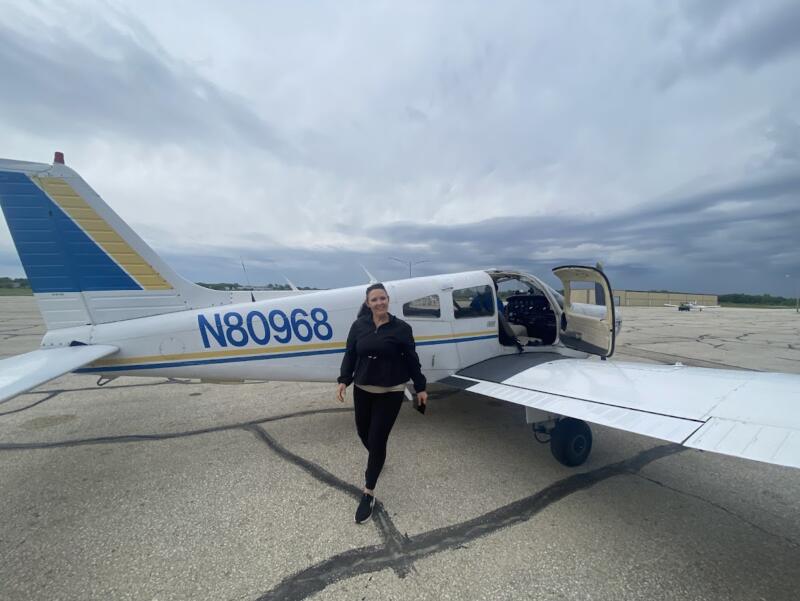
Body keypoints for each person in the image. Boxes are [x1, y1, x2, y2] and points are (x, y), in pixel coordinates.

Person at [337, 283, 428, 523]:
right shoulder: (359, 326)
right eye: (374, 300)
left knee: (377, 438)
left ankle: (368, 492)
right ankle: (377, 457)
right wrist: (344, 380)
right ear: (368, 303)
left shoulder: (401, 329)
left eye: (383, 298)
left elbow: (412, 359)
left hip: (391, 391)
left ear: (388, 300)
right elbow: (350, 354)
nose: (379, 303)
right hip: (363, 389)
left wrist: (421, 387)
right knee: (362, 432)